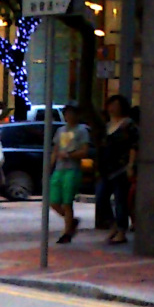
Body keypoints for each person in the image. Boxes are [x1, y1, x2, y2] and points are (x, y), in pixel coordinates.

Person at [96, 94, 138, 244]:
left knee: (120, 200)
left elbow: (134, 146)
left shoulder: (128, 124)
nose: (112, 108)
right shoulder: (107, 126)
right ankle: (113, 225)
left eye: (116, 105)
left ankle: (121, 230)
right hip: (106, 168)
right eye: (111, 105)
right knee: (101, 197)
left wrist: (131, 165)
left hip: (120, 167)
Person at [49, 103, 90, 243]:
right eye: (67, 114)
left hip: (72, 169)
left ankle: (67, 232)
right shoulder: (60, 131)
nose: (69, 116)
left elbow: (85, 150)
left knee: (67, 202)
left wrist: (70, 155)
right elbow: (55, 149)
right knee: (53, 201)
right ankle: (71, 221)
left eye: (72, 113)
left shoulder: (82, 130)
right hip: (59, 168)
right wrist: (50, 166)